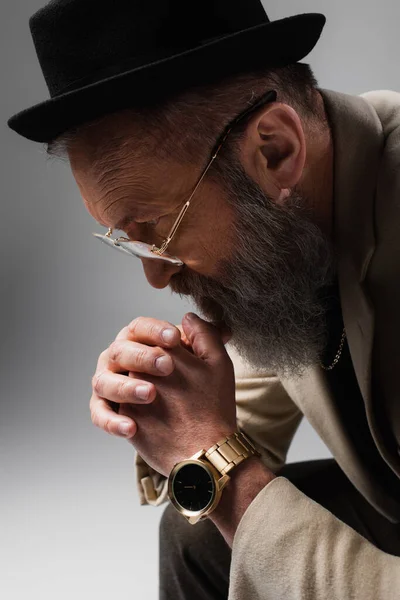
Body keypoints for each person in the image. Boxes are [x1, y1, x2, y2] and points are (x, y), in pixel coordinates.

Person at [8, 1, 400, 598]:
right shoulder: (292, 235)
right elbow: (236, 434)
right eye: (126, 241)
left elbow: (228, 463)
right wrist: (165, 404)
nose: (156, 279)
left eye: (157, 231)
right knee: (200, 527)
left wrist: (217, 463)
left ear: (273, 150)